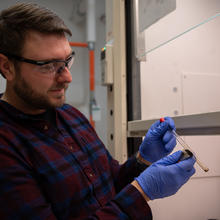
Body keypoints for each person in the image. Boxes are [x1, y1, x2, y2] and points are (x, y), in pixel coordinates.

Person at [0, 3, 196, 220]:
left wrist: (143, 160)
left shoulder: (70, 115)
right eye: (48, 65)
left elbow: (111, 181)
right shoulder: (6, 144)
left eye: (67, 61)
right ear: (7, 67)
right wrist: (142, 192)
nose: (67, 77)